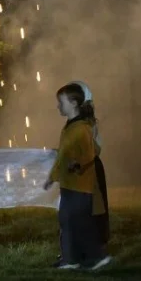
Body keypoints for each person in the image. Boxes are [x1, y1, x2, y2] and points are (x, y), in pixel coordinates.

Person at [44, 82, 111, 270]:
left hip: (80, 187)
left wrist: (77, 165)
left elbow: (89, 154)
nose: (58, 106)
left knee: (79, 223)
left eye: (61, 102)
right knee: (67, 221)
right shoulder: (70, 128)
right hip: (69, 185)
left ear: (74, 103)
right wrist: (53, 177)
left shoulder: (81, 129)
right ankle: (70, 258)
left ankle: (95, 257)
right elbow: (64, 156)